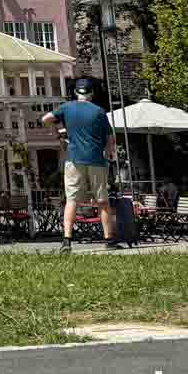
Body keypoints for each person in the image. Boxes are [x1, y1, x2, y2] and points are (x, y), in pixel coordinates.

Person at [42, 75, 121, 253]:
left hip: (74, 159)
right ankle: (109, 240)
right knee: (102, 201)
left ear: (75, 92)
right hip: (96, 161)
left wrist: (57, 136)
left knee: (72, 200)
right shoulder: (99, 111)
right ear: (91, 93)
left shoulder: (66, 108)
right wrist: (109, 152)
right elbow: (110, 138)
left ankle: (67, 241)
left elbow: (45, 119)